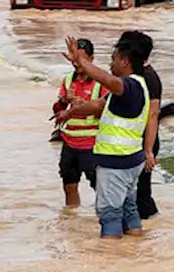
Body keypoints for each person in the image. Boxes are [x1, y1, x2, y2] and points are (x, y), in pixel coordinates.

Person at [56, 30, 153, 239]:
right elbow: (97, 106)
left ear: (125, 61)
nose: (111, 64)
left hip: (117, 162)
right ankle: (138, 252)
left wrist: (82, 61)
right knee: (128, 210)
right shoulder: (139, 86)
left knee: (109, 215)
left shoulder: (128, 85)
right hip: (130, 160)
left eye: (114, 59)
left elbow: (107, 80)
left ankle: (109, 258)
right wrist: (69, 112)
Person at [52, 38, 108, 208]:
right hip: (69, 143)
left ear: (91, 59)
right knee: (69, 186)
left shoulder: (102, 82)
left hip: (92, 145)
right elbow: (56, 110)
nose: (76, 63)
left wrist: (84, 106)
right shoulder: (68, 80)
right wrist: (64, 100)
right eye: (74, 58)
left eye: (81, 59)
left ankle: (102, 218)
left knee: (99, 187)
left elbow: (107, 111)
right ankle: (72, 221)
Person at [137, 36, 163, 220]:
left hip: (146, 140)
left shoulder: (149, 78)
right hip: (135, 139)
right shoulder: (135, 76)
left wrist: (148, 150)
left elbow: (153, 115)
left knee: (142, 192)